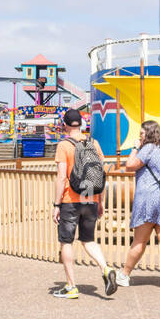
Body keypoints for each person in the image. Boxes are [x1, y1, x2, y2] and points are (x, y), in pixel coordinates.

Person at [52, 109, 117, 299]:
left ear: (65, 125)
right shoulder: (93, 143)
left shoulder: (64, 145)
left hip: (70, 200)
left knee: (66, 242)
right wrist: (100, 201)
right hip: (90, 198)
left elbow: (61, 177)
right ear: (81, 124)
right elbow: (100, 174)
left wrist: (56, 205)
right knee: (88, 240)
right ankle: (105, 269)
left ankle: (71, 286)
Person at [115, 120, 160, 291]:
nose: (139, 137)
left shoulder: (148, 148)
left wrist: (134, 147)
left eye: (141, 134)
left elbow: (129, 166)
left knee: (140, 240)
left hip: (148, 200)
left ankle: (124, 275)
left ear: (148, 133)